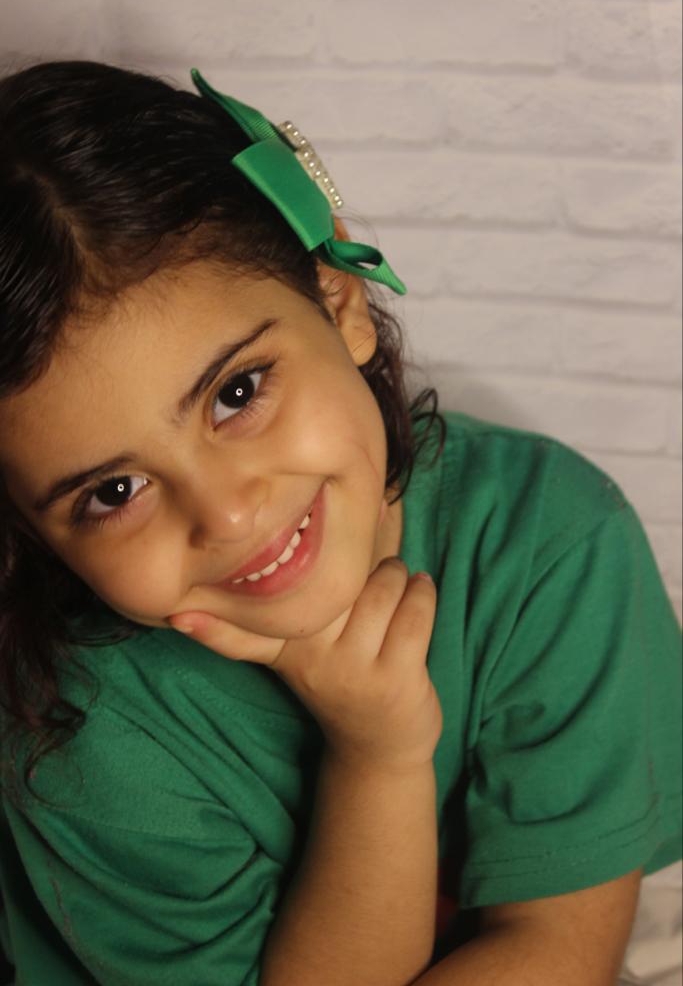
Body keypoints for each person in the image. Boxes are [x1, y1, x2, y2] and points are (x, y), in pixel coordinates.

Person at [0, 59, 680, 986]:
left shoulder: (548, 542)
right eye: (113, 493)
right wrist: (378, 755)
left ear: (339, 303)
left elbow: (558, 944)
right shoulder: (79, 733)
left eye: (237, 393)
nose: (228, 513)